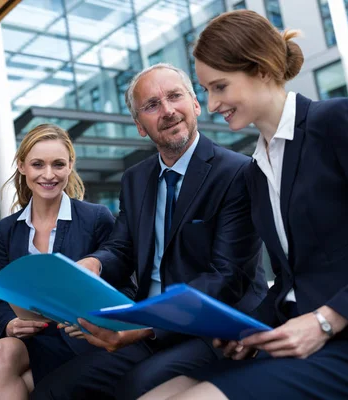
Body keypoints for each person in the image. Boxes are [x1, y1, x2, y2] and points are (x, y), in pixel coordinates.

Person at [140, 10, 348, 400]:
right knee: (157, 394)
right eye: (207, 91)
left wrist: (324, 321)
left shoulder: (336, 122)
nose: (212, 104)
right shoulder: (256, 169)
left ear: (262, 71)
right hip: (300, 345)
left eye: (219, 87)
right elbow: (291, 279)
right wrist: (249, 329)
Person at [30, 63, 268, 400]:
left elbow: (226, 278)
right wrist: (94, 265)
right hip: (144, 328)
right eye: (152, 105)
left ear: (196, 104)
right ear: (140, 125)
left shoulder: (237, 173)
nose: (168, 111)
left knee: (134, 388)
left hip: (214, 331)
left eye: (175, 96)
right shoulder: (135, 179)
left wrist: (144, 327)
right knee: (51, 392)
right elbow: (122, 247)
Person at [0, 124, 135, 400]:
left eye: (58, 164)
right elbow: (3, 299)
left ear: (70, 165)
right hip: (36, 342)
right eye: (37, 164)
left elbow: (125, 284)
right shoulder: (8, 229)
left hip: (83, 342)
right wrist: (10, 325)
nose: (48, 174)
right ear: (22, 167)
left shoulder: (95, 218)